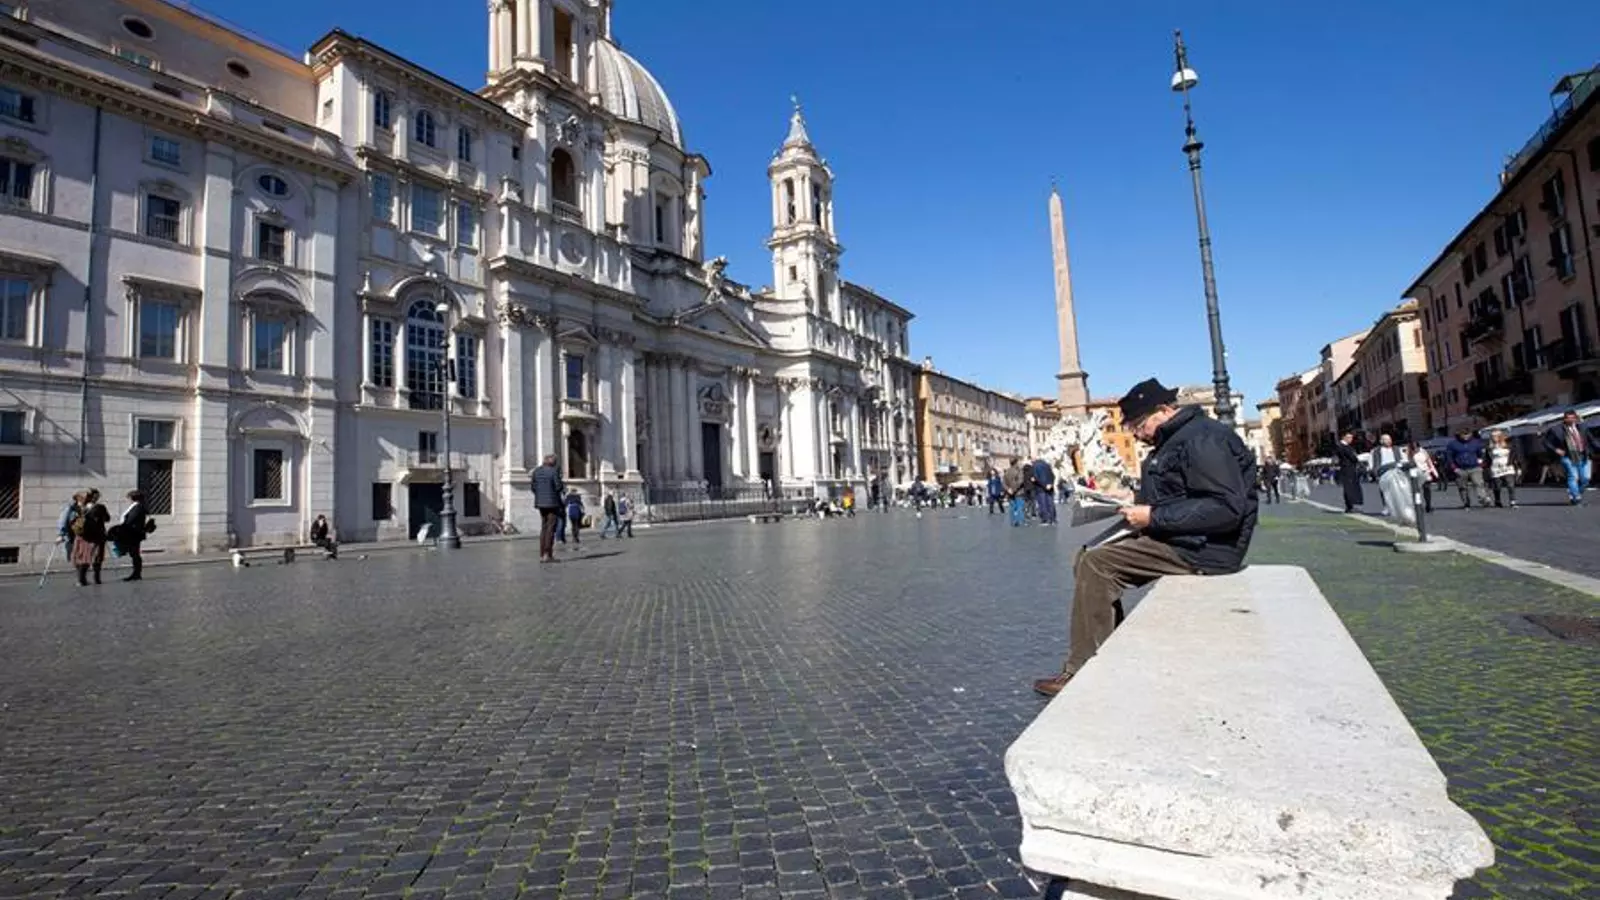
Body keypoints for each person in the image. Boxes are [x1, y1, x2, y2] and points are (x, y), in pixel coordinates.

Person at [1033, 379, 1257, 698]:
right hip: (1187, 537)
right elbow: (1179, 493)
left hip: (1206, 548)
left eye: (1139, 425)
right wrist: (1130, 498)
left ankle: (1083, 671)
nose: (1136, 434)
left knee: (1098, 564)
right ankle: (1107, 652)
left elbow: (1225, 508)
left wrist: (1152, 517)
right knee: (1086, 553)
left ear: (1163, 410)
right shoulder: (1177, 439)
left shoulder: (1202, 439)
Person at [1541, 408, 1591, 505]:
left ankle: (1575, 493)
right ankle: (1576, 497)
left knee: (1585, 479)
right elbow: (1545, 441)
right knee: (1573, 476)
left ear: (1576, 418)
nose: (1570, 420)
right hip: (1567, 456)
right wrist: (1556, 449)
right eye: (1568, 418)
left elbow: (1591, 440)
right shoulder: (1556, 429)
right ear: (1564, 419)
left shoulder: (1582, 428)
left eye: (1572, 418)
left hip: (1582, 455)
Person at [70, 490, 110, 586]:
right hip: (97, 536)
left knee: (84, 557)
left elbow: (71, 521)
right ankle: (97, 578)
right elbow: (107, 519)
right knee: (97, 557)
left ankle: (82, 579)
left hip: (84, 536)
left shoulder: (79, 507)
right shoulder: (100, 507)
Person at [1444, 428, 1490, 509]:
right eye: (1464, 434)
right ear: (1460, 434)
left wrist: (1481, 463)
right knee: (1462, 487)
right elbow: (1449, 457)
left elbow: (1481, 454)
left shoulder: (1476, 442)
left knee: (1478, 483)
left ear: (1471, 434)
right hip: (1460, 468)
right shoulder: (1453, 444)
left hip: (1474, 467)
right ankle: (1466, 503)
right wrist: (1454, 468)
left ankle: (1483, 498)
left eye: (1468, 434)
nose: (1466, 436)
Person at [530, 454, 564, 562]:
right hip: (552, 503)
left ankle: (542, 554)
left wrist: (540, 496)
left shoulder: (536, 471)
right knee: (550, 528)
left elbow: (533, 487)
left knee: (544, 527)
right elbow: (558, 487)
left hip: (540, 503)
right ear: (552, 462)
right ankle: (547, 554)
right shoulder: (553, 471)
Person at [113, 489, 149, 581]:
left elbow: (130, 520)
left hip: (134, 534)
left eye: (128, 498)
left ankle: (137, 573)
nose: (128, 500)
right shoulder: (136, 506)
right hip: (132, 533)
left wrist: (123, 527)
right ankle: (136, 573)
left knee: (135, 554)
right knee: (134, 553)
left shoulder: (138, 507)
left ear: (133, 498)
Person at [1369, 434, 1407, 517]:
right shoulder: (1375, 451)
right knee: (1385, 491)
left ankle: (1399, 507)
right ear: (1381, 441)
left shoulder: (1397, 449)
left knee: (1398, 490)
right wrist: (1374, 472)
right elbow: (1371, 462)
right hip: (1383, 472)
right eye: (1386, 439)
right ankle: (1387, 507)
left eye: (1390, 439)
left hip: (1396, 471)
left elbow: (1404, 459)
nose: (1389, 441)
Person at [1486, 429, 1521, 509]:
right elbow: (1487, 459)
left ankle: (1512, 501)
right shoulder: (1490, 447)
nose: (1494, 437)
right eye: (1492, 436)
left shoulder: (1508, 445)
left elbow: (1514, 456)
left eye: (1496, 436)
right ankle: (1497, 501)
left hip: (1507, 467)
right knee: (1497, 486)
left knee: (1510, 484)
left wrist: (1517, 467)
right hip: (1495, 467)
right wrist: (1486, 469)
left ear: (1500, 436)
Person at [1406, 441, 1439, 514]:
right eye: (1414, 448)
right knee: (1416, 492)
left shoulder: (1423, 451)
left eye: (1417, 448)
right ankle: (1417, 507)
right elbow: (1406, 463)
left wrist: (1435, 472)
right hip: (1415, 474)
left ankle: (1428, 506)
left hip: (1425, 472)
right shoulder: (1408, 453)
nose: (1416, 450)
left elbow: (1429, 462)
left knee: (1427, 489)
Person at [1335, 433, 1364, 513]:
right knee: (1349, 488)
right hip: (1347, 469)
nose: (1351, 439)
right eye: (1349, 437)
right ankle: (1350, 506)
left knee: (1350, 487)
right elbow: (1351, 456)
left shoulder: (1344, 446)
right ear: (1344, 437)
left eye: (1351, 438)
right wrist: (1356, 458)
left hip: (1349, 468)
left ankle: (1351, 506)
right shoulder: (1342, 446)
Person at [1001, 458, 1026, 527]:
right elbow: (1020, 481)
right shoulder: (1019, 471)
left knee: (1012, 507)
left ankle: (1013, 521)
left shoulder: (1007, 471)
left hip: (1010, 493)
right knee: (1020, 507)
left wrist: (1008, 489)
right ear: (1016, 463)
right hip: (1019, 492)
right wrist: (1014, 489)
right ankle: (1020, 521)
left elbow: (1003, 483)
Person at [1033, 458, 1058, 526]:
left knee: (1043, 504)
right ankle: (1053, 519)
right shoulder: (1047, 465)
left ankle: (1046, 520)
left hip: (1040, 489)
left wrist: (1044, 485)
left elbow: (1036, 477)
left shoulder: (1035, 466)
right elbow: (1053, 476)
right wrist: (1050, 484)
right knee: (1051, 503)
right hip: (1050, 488)